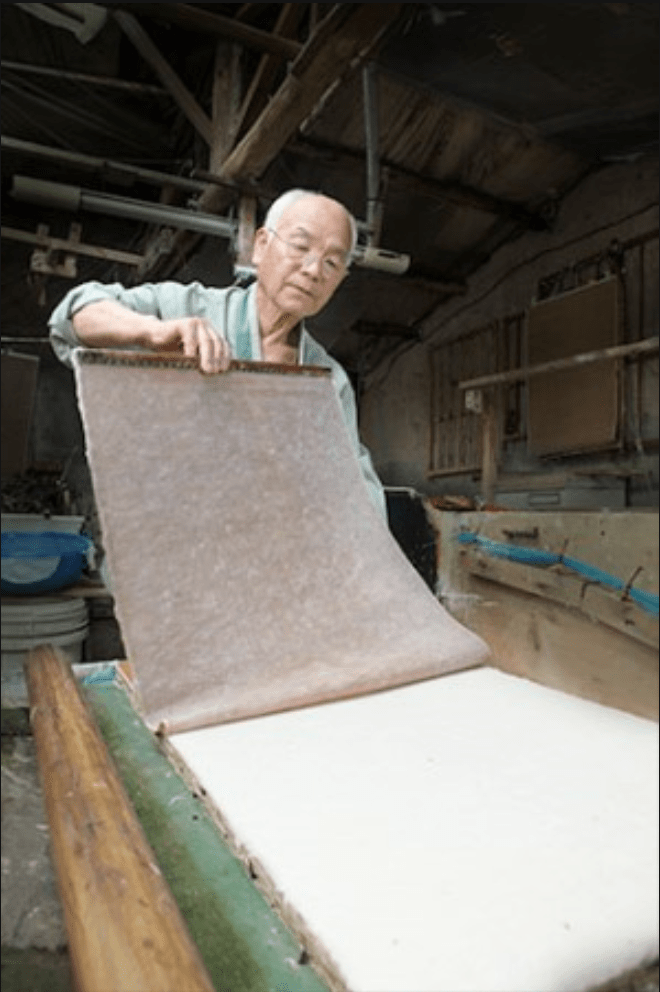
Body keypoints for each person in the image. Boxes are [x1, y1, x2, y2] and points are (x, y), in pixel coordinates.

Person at [49, 188, 386, 517]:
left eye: (332, 262)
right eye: (300, 246)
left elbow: (355, 487)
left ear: (340, 280)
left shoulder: (329, 381)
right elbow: (75, 314)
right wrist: (152, 332)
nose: (313, 270)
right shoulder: (188, 308)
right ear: (261, 246)